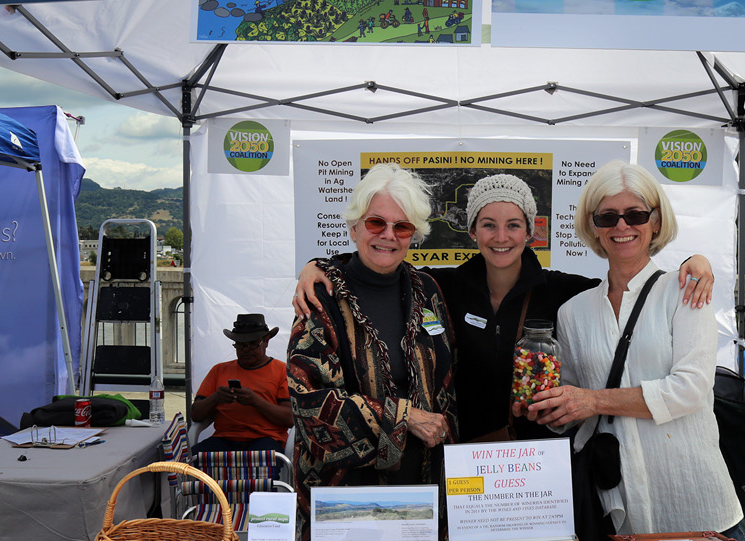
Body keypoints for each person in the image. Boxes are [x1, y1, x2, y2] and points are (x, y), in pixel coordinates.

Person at [293, 173, 715, 442]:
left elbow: (627, 279)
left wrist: (691, 264)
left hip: (538, 460)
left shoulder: (562, 291)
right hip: (463, 459)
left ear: (530, 231)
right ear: (473, 230)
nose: (501, 236)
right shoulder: (443, 287)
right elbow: (383, 263)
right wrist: (319, 267)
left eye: (514, 224)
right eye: (489, 224)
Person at [526, 160, 744, 541]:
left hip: (695, 505)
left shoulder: (686, 293)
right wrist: (552, 409)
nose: (622, 226)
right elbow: (577, 411)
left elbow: (691, 391)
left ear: (656, 221)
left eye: (635, 214)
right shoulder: (573, 312)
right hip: (613, 508)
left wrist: (592, 399)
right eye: (608, 216)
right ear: (593, 226)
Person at [288, 163, 456, 504]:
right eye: (376, 222)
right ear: (354, 228)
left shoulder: (427, 290)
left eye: (403, 226)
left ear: (415, 234)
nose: (388, 235)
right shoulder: (321, 296)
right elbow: (308, 405)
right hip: (345, 498)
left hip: (424, 491)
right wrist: (403, 417)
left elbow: (448, 384)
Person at [190, 313, 291, 453]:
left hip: (266, 439)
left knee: (262, 459)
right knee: (191, 461)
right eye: (241, 346)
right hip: (224, 439)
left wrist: (255, 401)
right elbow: (195, 414)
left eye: (253, 345)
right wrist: (216, 398)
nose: (246, 350)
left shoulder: (282, 371)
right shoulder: (219, 370)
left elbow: (290, 419)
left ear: (266, 341)